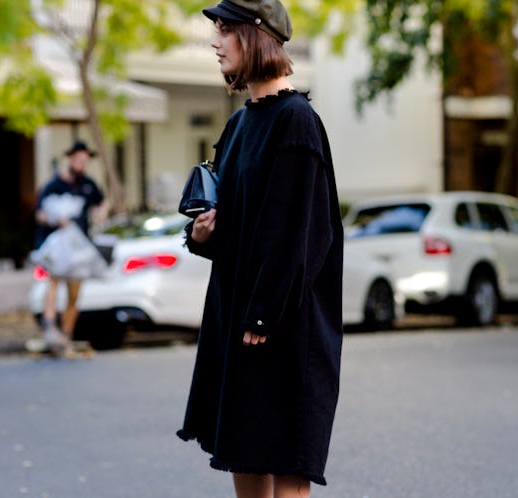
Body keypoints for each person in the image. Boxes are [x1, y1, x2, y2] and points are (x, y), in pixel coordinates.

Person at [176, 1, 344, 497]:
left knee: (287, 462)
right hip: (241, 315)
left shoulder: (296, 121)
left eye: (225, 29)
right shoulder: (239, 126)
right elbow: (241, 223)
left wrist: (264, 315)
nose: (215, 41)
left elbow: (298, 234)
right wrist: (201, 235)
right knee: (244, 452)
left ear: (255, 36)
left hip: (284, 324)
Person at [33, 140, 107, 352]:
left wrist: (101, 212)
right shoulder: (55, 185)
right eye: (78, 159)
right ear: (70, 159)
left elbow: (101, 201)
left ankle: (66, 335)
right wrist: (56, 219)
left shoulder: (88, 184)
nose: (81, 163)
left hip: (79, 245)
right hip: (58, 245)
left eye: (85, 160)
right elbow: (40, 214)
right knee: (54, 280)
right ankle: (49, 325)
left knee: (75, 291)